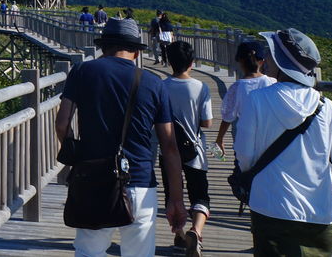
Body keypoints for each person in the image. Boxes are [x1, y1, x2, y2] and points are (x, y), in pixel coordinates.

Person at [56, 17, 188, 257]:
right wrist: (176, 200)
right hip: (140, 183)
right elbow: (169, 146)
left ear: (103, 47)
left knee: (89, 252)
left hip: (93, 180)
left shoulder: (83, 71)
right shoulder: (153, 83)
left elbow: (62, 123)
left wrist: (78, 155)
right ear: (137, 52)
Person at [235, 28, 332, 256]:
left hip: (270, 209)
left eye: (272, 52)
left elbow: (244, 156)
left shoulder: (256, 101)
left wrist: (251, 176)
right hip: (320, 216)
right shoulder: (328, 108)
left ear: (281, 61)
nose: (267, 57)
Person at [162, 40, 212, 257]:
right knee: (200, 194)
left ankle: (180, 235)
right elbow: (207, 122)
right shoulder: (201, 87)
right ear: (192, 62)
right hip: (195, 151)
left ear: (168, 61)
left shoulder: (161, 87)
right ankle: (196, 231)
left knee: (172, 194)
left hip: (167, 149)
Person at [214, 40, 275, 158]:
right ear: (262, 61)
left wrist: (219, 139)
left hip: (245, 141)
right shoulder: (272, 83)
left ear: (240, 62)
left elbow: (228, 117)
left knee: (242, 168)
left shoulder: (236, 87)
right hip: (269, 140)